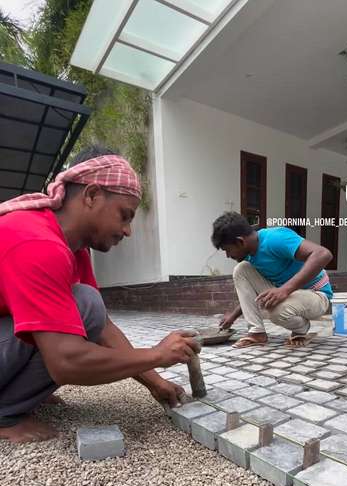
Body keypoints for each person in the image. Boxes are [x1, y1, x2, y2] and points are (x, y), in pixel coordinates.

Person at [0, 146, 199, 444]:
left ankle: (17, 395)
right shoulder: (36, 241)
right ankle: (6, 412)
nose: (128, 230)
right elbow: (65, 362)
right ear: (92, 195)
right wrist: (157, 353)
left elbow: (103, 326)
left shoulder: (72, 247)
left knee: (86, 308)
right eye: (124, 215)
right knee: (75, 320)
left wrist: (155, 382)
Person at [211, 212, 333, 349]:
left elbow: (323, 254)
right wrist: (233, 316)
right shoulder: (250, 256)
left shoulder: (275, 238)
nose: (228, 256)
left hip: (316, 294)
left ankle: (302, 327)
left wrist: (284, 290)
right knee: (241, 269)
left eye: (227, 250)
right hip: (289, 294)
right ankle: (257, 332)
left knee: (277, 311)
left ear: (240, 241)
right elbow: (252, 295)